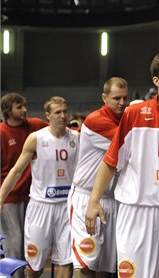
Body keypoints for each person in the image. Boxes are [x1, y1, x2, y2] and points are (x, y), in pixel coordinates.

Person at [85, 52, 159, 277]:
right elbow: (111, 161)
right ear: (156, 81)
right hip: (136, 210)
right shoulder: (135, 114)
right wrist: (94, 200)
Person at [0, 96, 78, 277]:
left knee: (67, 261)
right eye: (58, 112)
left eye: (65, 111)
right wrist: (1, 197)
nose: (63, 116)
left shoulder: (78, 138)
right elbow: (16, 171)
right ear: (48, 116)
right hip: (40, 207)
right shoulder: (35, 138)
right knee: (35, 265)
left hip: (67, 207)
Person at [69, 77, 129, 277]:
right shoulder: (97, 120)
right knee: (86, 264)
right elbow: (132, 145)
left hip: (113, 200)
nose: (122, 103)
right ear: (104, 97)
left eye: (125, 98)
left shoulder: (125, 120)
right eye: (116, 98)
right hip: (87, 198)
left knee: (107, 266)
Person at [0, 93, 48, 276]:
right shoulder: (2, 133)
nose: (24, 110)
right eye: (19, 107)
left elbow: (58, 131)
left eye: (24, 105)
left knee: (32, 243)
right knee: (14, 243)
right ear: (8, 111)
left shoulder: (35, 125)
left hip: (33, 197)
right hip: (9, 198)